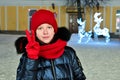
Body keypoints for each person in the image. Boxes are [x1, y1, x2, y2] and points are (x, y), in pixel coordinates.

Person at [15, 9, 86, 80]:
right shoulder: (27, 57)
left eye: (49, 27)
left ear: (54, 30)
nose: (45, 32)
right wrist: (31, 59)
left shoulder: (69, 53)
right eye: (40, 28)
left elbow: (80, 77)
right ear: (35, 32)